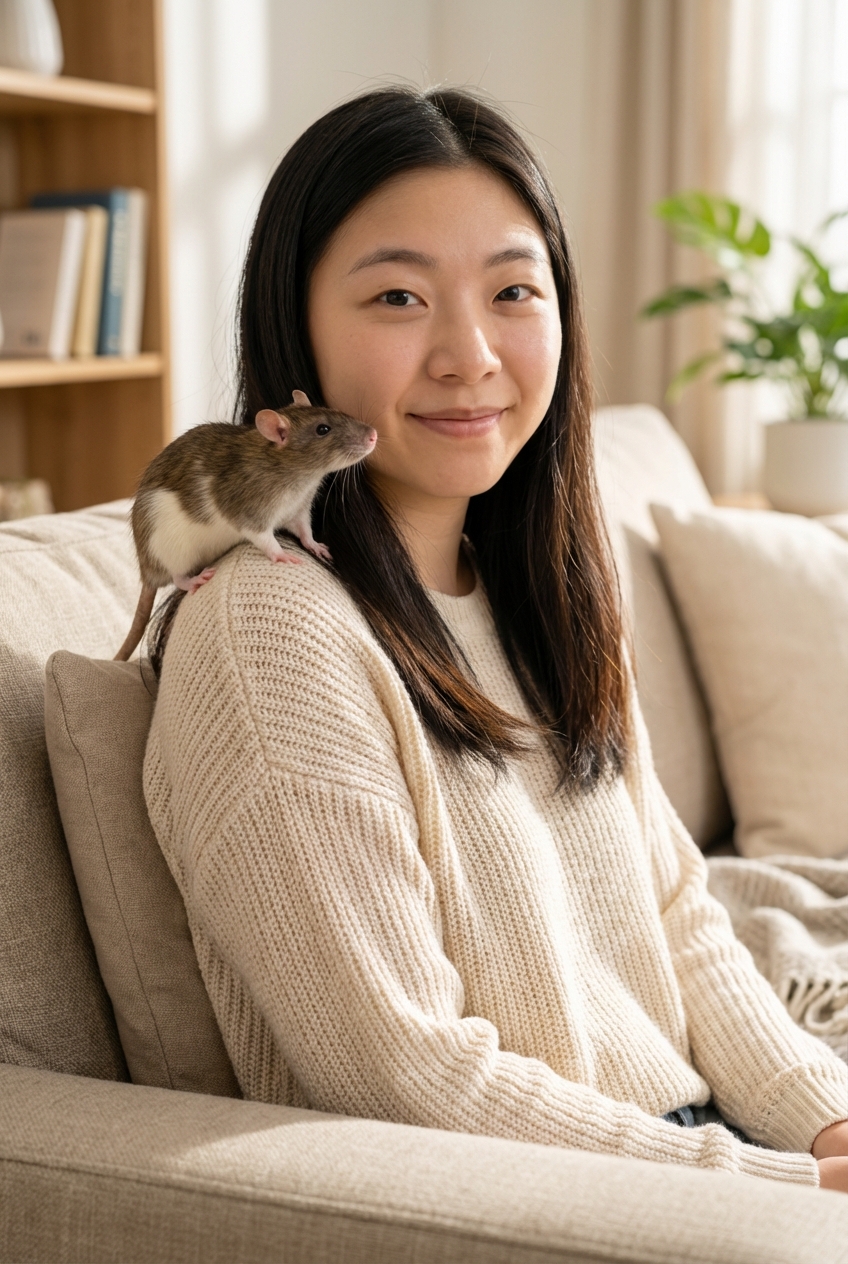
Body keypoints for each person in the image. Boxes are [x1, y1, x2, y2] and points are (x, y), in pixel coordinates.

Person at [144, 86, 848, 1190]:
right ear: (295, 332)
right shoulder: (270, 633)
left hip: (699, 1161)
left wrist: (824, 1125)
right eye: (397, 296)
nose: (469, 354)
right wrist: (776, 1190)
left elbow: (676, 918)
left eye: (513, 290)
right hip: (568, 1206)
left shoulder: (538, 588)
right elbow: (405, 1073)